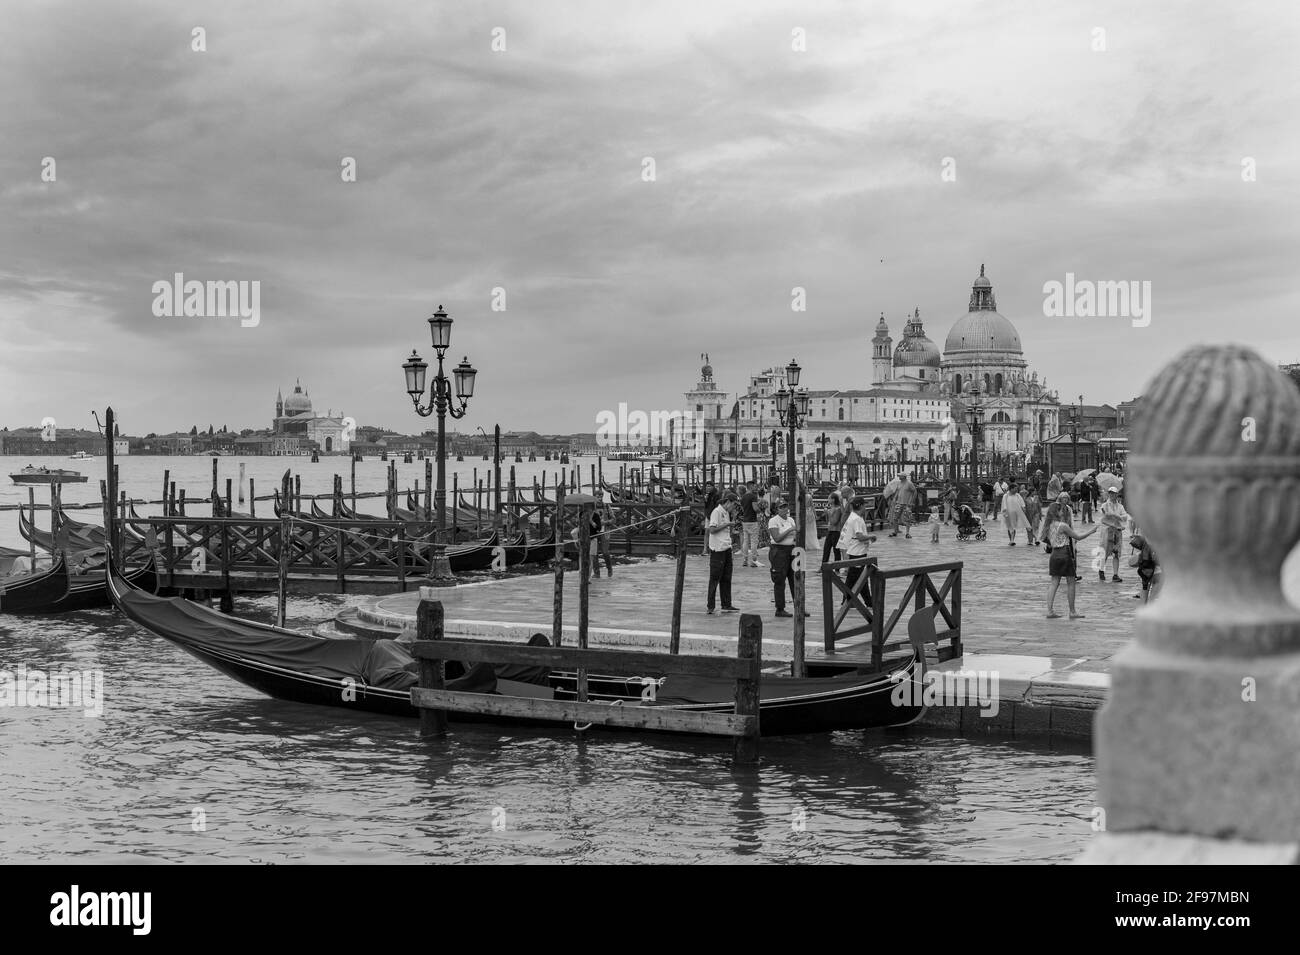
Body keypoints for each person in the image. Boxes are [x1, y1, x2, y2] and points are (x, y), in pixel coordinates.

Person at [1042, 501, 1098, 619]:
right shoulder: (1063, 525)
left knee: (1054, 583)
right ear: (1057, 512)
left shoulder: (1049, 525)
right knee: (1071, 583)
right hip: (1065, 553)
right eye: (1061, 510)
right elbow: (1078, 537)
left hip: (1054, 554)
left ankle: (1049, 610)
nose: (1063, 511)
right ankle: (1072, 611)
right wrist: (1091, 531)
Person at [767, 500, 807, 618]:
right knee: (779, 580)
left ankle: (799, 607)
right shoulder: (773, 521)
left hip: (792, 550)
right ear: (776, 509)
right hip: (778, 551)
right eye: (781, 507)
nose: (784, 509)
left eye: (785, 506)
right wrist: (790, 530)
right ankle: (780, 608)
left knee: (795, 579)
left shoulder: (791, 520)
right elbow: (777, 538)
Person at [706, 494, 740, 614]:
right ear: (728, 502)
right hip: (718, 549)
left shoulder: (726, 513)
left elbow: (727, 531)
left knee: (727, 578)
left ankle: (726, 603)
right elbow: (712, 529)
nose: (734, 508)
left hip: (726, 547)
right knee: (715, 578)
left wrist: (732, 520)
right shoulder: (717, 512)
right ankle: (710, 605)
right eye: (734, 505)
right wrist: (727, 524)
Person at [840, 497, 876, 603]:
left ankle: (866, 601)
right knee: (854, 578)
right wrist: (871, 537)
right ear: (860, 506)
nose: (865, 507)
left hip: (856, 551)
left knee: (860, 578)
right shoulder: (856, 519)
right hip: (857, 552)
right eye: (864, 505)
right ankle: (847, 600)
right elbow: (859, 536)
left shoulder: (854, 517)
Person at [1097, 486, 1131, 582]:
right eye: (1110, 493)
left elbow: (1125, 517)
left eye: (1114, 493)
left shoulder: (1120, 506)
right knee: (1105, 552)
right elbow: (1103, 518)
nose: (1112, 495)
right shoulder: (1104, 505)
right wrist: (1111, 517)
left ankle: (1115, 574)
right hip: (1107, 533)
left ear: (1117, 494)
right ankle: (1101, 570)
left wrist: (1116, 516)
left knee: (1116, 554)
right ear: (1109, 494)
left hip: (1117, 532)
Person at [1129, 534, 1160, 603]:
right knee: (1155, 583)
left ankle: (1144, 608)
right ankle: (1149, 608)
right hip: (1154, 562)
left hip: (1146, 562)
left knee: (1145, 586)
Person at [592, 491, 615, 577]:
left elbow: (613, 519)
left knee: (605, 552)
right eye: (598, 496)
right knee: (594, 553)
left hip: (605, 532)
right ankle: (596, 573)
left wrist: (605, 522)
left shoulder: (607, 506)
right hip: (594, 532)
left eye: (601, 495)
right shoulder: (591, 507)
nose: (600, 497)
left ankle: (609, 569)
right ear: (595, 496)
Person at [737, 481, 760, 568]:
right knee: (754, 541)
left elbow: (743, 509)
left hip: (745, 521)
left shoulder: (743, 497)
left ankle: (745, 559)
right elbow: (755, 508)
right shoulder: (753, 496)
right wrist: (760, 510)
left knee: (746, 541)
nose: (756, 487)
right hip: (753, 520)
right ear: (751, 486)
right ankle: (754, 560)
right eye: (755, 486)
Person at [889, 473, 918, 539]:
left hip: (907, 503)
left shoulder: (909, 483)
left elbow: (915, 491)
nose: (899, 477)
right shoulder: (899, 483)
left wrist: (912, 501)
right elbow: (897, 491)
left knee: (907, 518)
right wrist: (894, 498)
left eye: (900, 476)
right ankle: (895, 531)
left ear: (904, 477)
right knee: (895, 518)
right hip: (899, 503)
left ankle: (907, 533)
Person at [822, 492, 845, 563]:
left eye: (829, 498)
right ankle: (823, 566)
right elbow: (828, 521)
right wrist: (827, 513)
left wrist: (827, 513)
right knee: (826, 549)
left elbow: (834, 522)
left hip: (836, 532)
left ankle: (837, 567)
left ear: (833, 500)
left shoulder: (838, 509)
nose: (828, 500)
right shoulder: (831, 508)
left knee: (836, 550)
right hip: (830, 530)